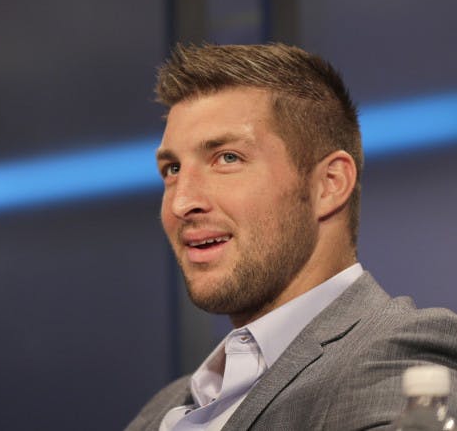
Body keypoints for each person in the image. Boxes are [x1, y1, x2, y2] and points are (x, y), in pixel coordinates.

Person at [125, 42, 457, 431]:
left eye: (227, 158)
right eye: (172, 169)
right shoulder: (159, 411)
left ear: (329, 185)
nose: (182, 202)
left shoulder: (400, 354)